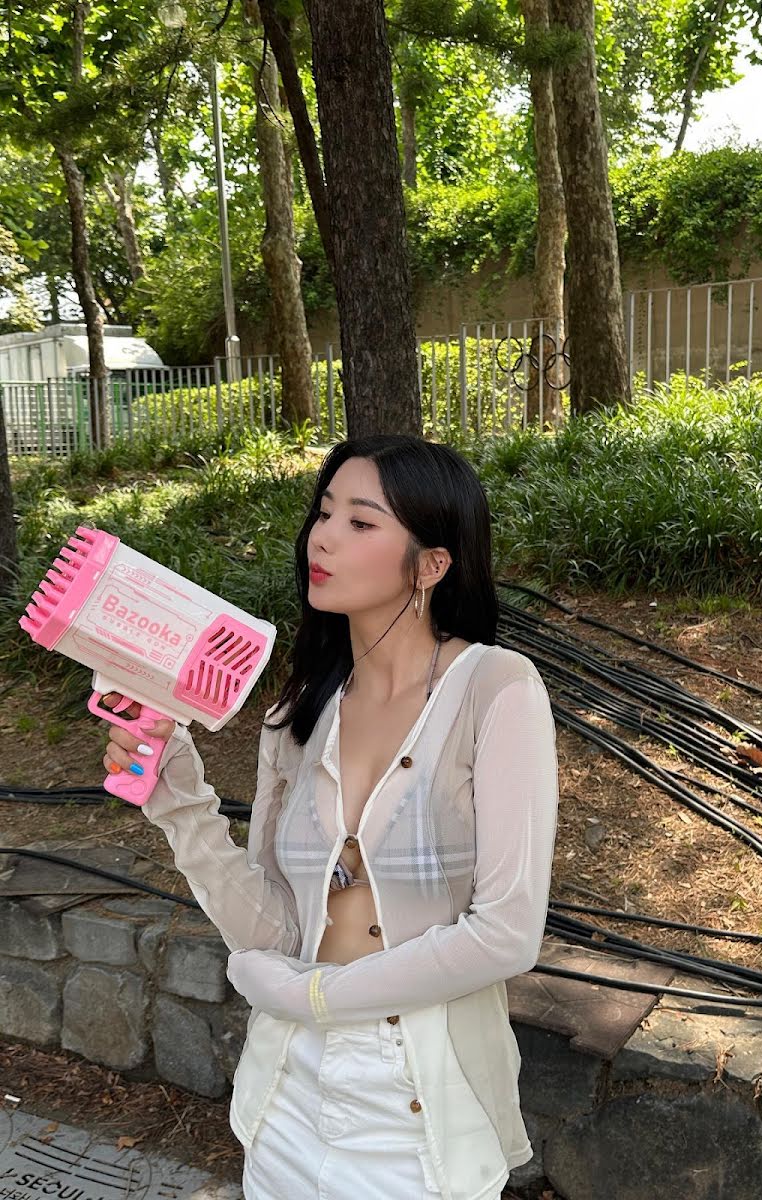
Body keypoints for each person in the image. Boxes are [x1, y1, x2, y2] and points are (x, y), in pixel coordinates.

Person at [99, 434, 560, 1200]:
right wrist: (176, 793)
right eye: (323, 512)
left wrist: (313, 996)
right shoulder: (298, 714)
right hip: (287, 1093)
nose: (323, 537)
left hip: (417, 1114)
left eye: (360, 521)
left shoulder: (497, 690)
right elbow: (275, 930)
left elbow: (507, 933)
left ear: (431, 564)